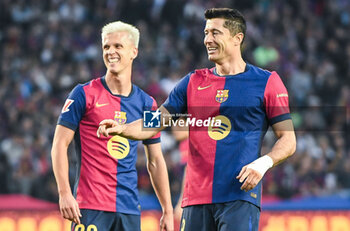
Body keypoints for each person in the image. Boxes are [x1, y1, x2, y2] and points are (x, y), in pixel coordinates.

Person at [97, 8, 296, 231]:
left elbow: (288, 140)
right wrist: (123, 128)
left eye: (215, 33)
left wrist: (263, 163)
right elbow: (155, 122)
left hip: (239, 197)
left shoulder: (267, 82)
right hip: (195, 202)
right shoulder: (192, 82)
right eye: (206, 33)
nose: (207, 40)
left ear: (237, 38)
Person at [51, 21, 174, 231]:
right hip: (89, 207)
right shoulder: (83, 94)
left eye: (118, 46)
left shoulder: (148, 104)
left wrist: (168, 210)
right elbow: (59, 145)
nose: (111, 52)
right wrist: (64, 193)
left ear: (134, 52)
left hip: (129, 210)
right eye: (106, 47)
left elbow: (155, 160)